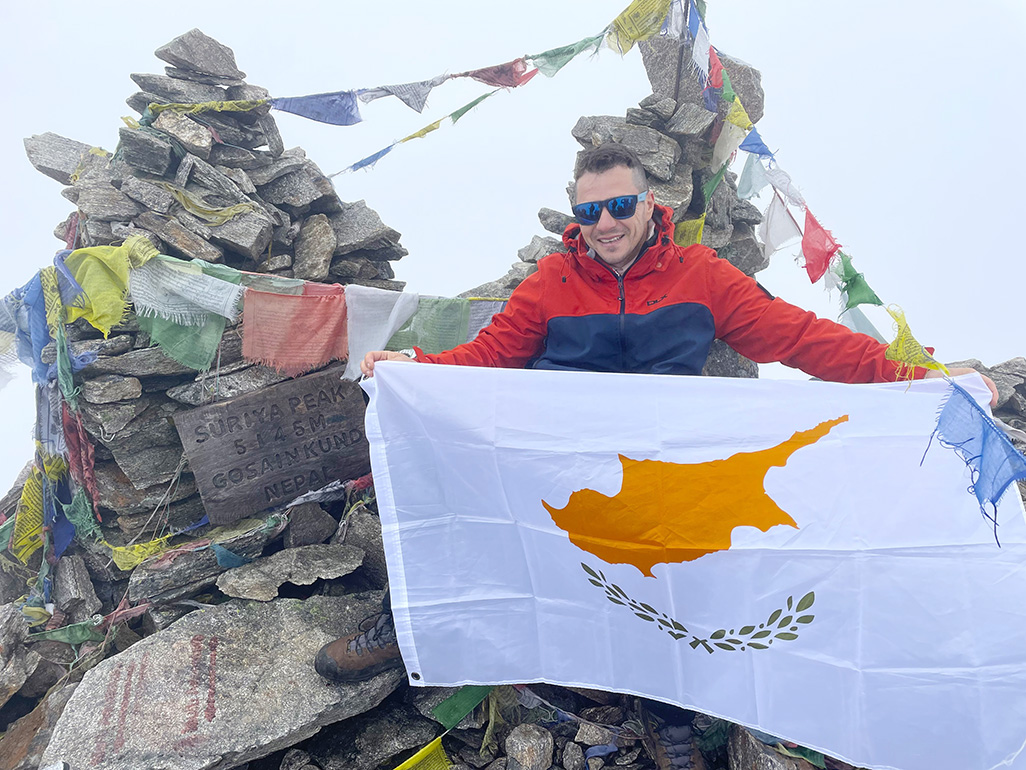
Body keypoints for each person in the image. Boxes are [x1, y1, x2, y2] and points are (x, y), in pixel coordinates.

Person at [314, 143, 997, 683]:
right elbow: (492, 355)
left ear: (648, 203)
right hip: (558, 452)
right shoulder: (551, 282)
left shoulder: (702, 275)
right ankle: (405, 627)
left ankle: (673, 706)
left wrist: (923, 381)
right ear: (574, 218)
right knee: (465, 502)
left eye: (619, 206)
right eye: (590, 212)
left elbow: (802, 339)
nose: (605, 223)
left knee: (688, 572)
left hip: (665, 462)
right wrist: (415, 371)